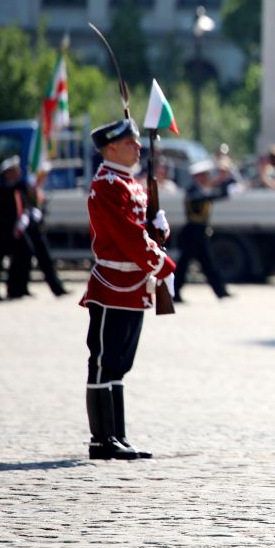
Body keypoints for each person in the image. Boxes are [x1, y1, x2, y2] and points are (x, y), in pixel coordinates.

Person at [81, 117, 176, 460]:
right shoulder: (107, 184)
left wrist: (158, 229)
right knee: (104, 361)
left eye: (137, 141)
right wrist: (162, 263)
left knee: (120, 363)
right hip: (112, 283)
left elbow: (141, 231)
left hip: (134, 284)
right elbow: (126, 236)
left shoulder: (130, 183)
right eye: (130, 143)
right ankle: (101, 440)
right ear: (110, 148)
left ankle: (117, 435)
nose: (138, 147)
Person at [174, 159, 240, 302]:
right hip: (192, 233)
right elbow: (205, 197)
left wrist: (226, 183)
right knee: (183, 265)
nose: (207, 178)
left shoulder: (202, 189)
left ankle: (220, 291)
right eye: (204, 175)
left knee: (209, 264)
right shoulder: (193, 190)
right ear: (198, 176)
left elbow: (216, 195)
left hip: (200, 233)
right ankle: (174, 292)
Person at [0, 156, 33, 300]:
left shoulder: (13, 186)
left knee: (22, 255)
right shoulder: (1, 188)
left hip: (7, 229)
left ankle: (15, 289)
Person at [20, 162, 67, 297]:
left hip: (38, 230)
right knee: (28, 259)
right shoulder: (29, 187)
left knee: (44, 260)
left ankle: (56, 288)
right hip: (30, 230)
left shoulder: (37, 189)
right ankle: (21, 288)